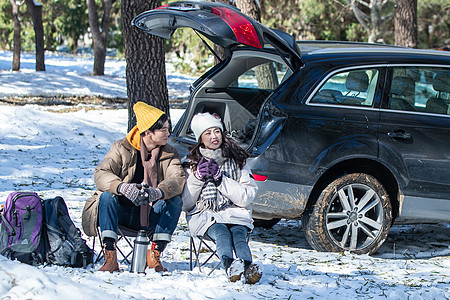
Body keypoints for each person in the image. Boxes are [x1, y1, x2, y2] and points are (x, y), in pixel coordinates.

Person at [82, 101, 185, 273]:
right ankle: (110, 255)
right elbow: (101, 173)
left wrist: (157, 192)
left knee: (174, 200)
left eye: (168, 128)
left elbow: (177, 179)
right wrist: (122, 187)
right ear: (148, 132)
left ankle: (155, 253)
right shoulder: (121, 147)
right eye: (164, 129)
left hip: (150, 212)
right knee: (106, 196)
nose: (169, 133)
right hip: (121, 212)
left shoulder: (169, 153)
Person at [182, 112, 262, 284]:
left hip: (235, 213)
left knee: (238, 235)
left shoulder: (238, 160)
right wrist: (196, 178)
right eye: (208, 133)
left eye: (216, 131)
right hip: (205, 215)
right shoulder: (191, 163)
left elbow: (247, 196)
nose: (214, 136)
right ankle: (230, 266)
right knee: (221, 232)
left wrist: (221, 180)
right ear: (200, 139)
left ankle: (249, 268)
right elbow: (185, 203)